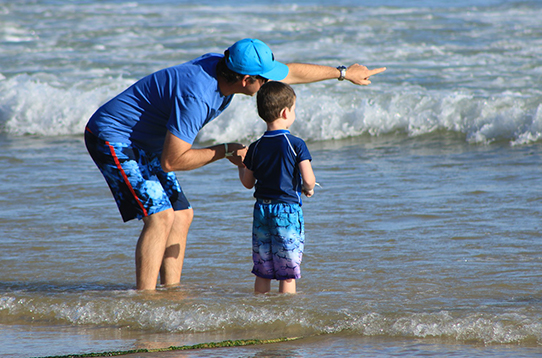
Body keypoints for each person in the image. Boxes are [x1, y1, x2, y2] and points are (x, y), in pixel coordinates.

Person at [84, 38, 386, 291]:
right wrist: (225, 150)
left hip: (147, 140)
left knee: (182, 214)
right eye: (264, 79)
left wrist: (343, 74)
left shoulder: (226, 66)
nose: (270, 83)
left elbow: (291, 72)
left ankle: (170, 294)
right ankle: (146, 301)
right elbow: (172, 160)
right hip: (112, 137)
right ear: (245, 80)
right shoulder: (197, 95)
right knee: (160, 216)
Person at [238, 81, 315, 294]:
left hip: (262, 210)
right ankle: (284, 320)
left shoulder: (256, 146)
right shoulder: (296, 144)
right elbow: (308, 180)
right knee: (287, 272)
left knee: (263, 269)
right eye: (294, 110)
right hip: (286, 212)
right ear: (284, 112)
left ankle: (260, 311)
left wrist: (240, 165)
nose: (294, 114)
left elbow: (248, 183)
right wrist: (308, 188)